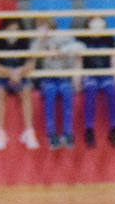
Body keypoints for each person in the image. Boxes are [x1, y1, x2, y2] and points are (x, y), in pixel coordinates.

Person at [31, 16, 82, 150]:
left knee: (66, 91)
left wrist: (64, 50)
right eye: (39, 26)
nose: (42, 29)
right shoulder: (37, 41)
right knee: (50, 92)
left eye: (44, 25)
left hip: (63, 76)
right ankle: (51, 133)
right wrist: (41, 40)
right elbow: (32, 54)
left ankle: (67, 131)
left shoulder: (63, 37)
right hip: (47, 77)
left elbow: (80, 46)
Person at [0, 16, 38, 151]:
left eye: (16, 29)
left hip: (20, 74)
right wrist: (10, 73)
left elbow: (31, 64)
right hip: (3, 74)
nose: (13, 32)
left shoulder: (24, 41)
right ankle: (0, 133)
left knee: (26, 91)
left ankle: (29, 131)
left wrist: (19, 72)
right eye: (10, 29)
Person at [78, 15, 115, 149]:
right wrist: (77, 80)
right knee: (90, 90)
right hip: (89, 74)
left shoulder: (109, 39)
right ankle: (89, 129)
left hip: (106, 74)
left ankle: (114, 129)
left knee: (111, 90)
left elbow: (114, 60)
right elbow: (78, 62)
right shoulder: (82, 40)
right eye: (94, 22)